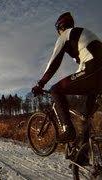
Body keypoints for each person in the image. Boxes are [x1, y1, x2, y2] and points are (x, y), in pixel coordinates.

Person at [32, 12, 102, 143]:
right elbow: (80, 61)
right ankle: (83, 156)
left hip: (92, 69)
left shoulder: (65, 35)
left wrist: (40, 84)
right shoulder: (82, 35)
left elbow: (54, 63)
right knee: (85, 116)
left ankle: (67, 130)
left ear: (60, 28)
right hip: (98, 76)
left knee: (55, 90)